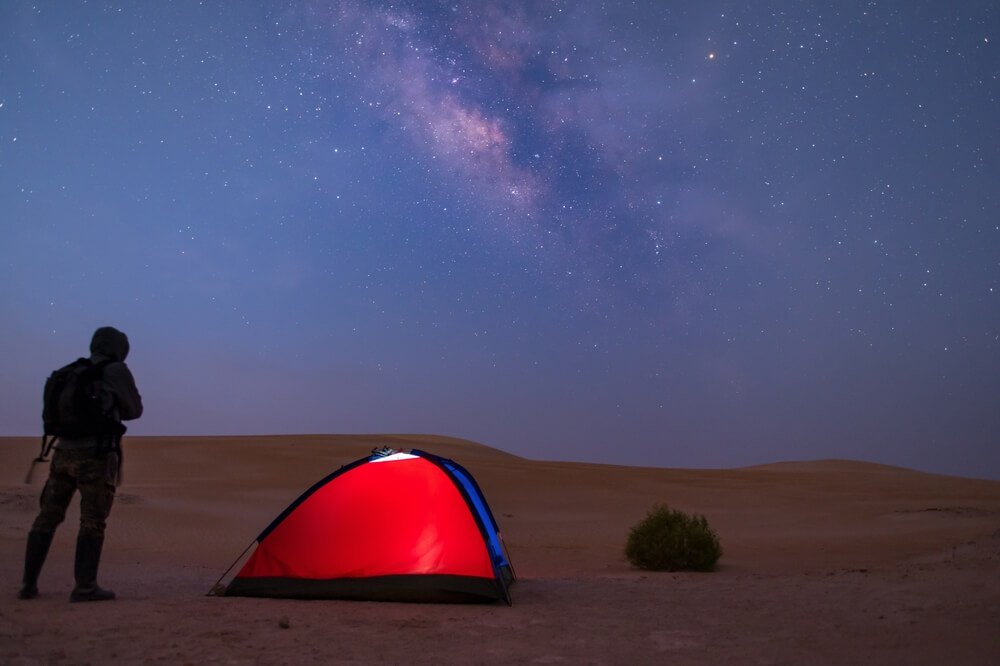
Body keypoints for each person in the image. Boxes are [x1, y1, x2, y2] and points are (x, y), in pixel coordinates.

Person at [19, 326, 143, 602]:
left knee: (47, 517)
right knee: (92, 520)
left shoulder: (70, 371)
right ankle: (85, 585)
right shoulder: (115, 371)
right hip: (96, 456)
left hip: (62, 454)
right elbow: (135, 410)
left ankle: (28, 584)